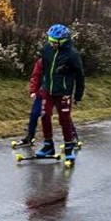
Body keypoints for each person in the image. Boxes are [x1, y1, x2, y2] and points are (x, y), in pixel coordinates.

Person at [35, 24, 85, 163]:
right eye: (49, 40)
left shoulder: (72, 54)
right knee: (44, 115)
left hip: (63, 92)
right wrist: (39, 86)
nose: (51, 43)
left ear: (62, 41)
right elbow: (43, 68)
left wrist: (78, 95)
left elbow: (80, 75)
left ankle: (69, 147)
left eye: (54, 41)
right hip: (47, 90)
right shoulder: (46, 49)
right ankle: (48, 146)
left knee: (64, 119)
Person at [12, 55, 44, 148]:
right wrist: (33, 91)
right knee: (34, 114)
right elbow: (35, 76)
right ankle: (29, 138)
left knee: (63, 115)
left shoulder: (60, 59)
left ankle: (72, 137)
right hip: (41, 93)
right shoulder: (41, 62)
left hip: (55, 93)